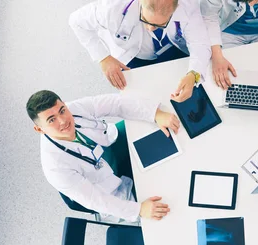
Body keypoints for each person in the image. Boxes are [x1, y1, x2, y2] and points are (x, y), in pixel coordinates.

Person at [26, 90, 181, 222]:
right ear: (39, 129)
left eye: (62, 110)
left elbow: (116, 103)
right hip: (108, 187)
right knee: (168, 198)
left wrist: (155, 113)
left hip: (112, 144)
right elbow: (96, 200)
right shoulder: (55, 168)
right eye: (51, 120)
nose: (63, 120)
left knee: (159, 129)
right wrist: (139, 209)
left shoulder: (73, 108)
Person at [69, 0, 211, 102]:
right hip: (132, 54)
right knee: (148, 100)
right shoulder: (111, 7)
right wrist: (103, 58)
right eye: (145, 20)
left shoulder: (186, 3)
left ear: (175, 9)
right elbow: (76, 21)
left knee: (194, 88)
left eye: (159, 25)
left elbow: (200, 43)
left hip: (171, 45)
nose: (150, 28)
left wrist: (194, 74)